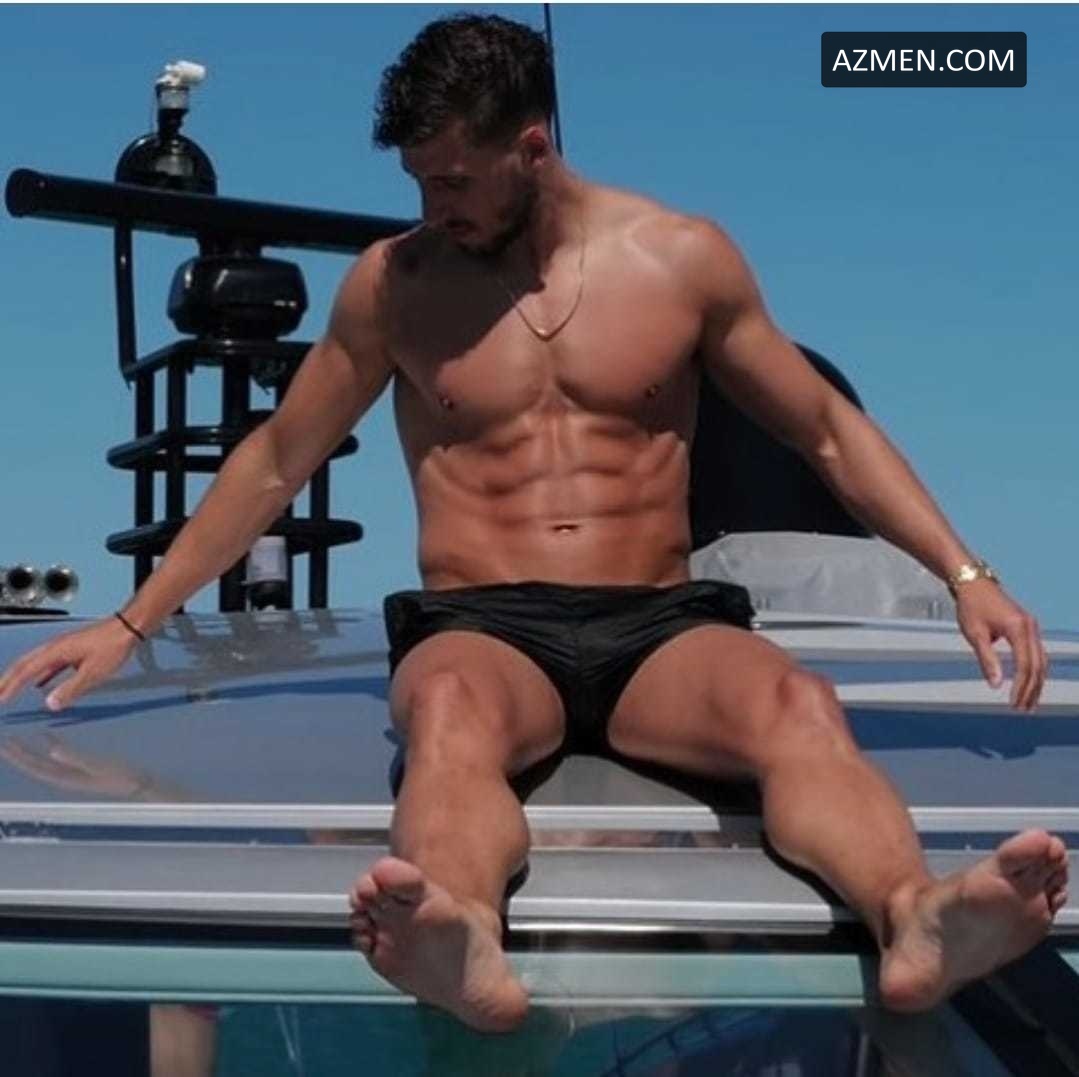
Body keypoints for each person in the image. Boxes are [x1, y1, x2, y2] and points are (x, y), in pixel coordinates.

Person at [0, 13, 1065, 1036]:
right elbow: (280, 459)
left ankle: (911, 916)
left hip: (656, 624)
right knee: (449, 715)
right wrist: (133, 622)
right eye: (418, 181)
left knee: (798, 703)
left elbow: (825, 431)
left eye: (454, 181)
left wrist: (964, 575)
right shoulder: (396, 285)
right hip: (484, 625)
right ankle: (462, 932)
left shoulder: (681, 260)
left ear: (533, 148)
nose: (432, 206)